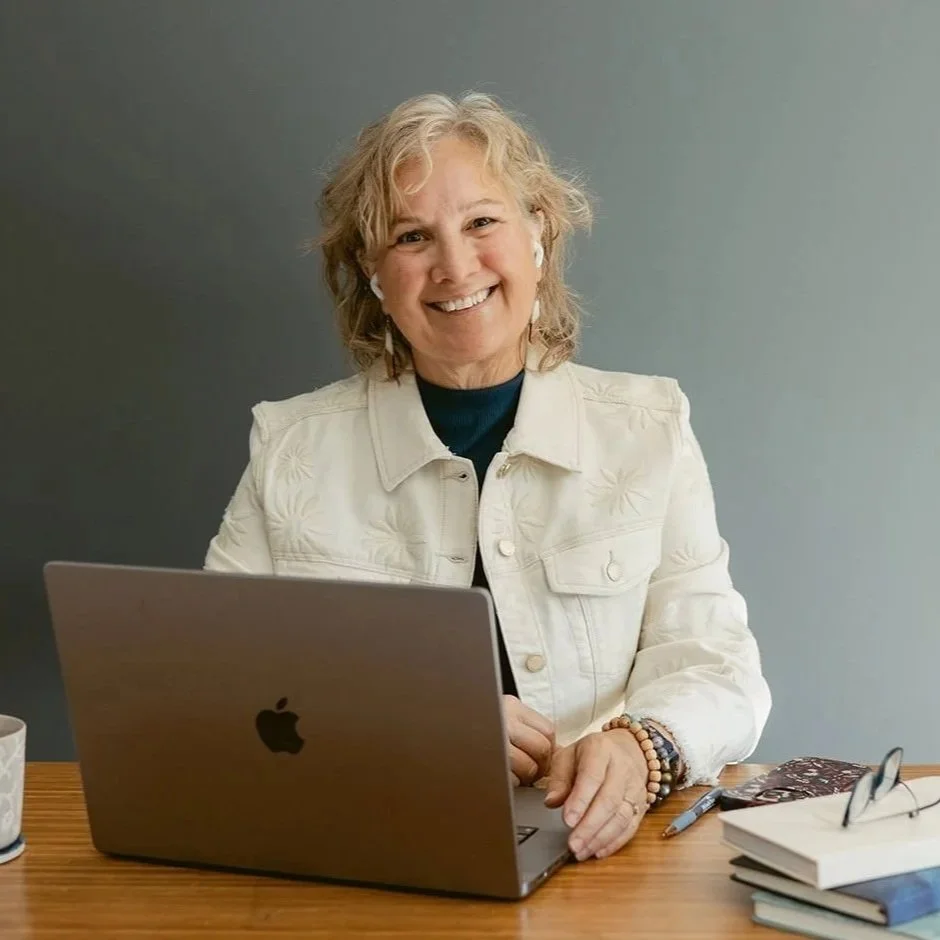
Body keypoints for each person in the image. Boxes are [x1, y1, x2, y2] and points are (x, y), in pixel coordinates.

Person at [204, 91, 771, 863]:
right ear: (373, 276)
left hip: (597, 857)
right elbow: (215, 679)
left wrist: (648, 747)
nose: (455, 265)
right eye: (411, 236)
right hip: (362, 843)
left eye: (482, 222)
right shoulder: (291, 447)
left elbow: (718, 662)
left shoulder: (650, 428)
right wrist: (405, 714)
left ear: (538, 233)